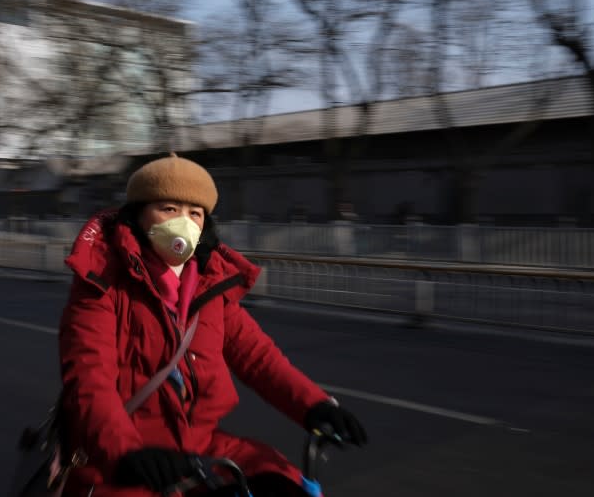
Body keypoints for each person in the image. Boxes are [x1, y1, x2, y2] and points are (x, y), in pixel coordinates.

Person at [58, 154, 367, 497]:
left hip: (199, 448)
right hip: (124, 456)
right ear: (138, 215)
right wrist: (125, 452)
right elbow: (89, 380)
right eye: (169, 209)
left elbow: (258, 358)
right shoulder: (101, 283)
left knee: (283, 481)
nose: (184, 223)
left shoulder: (210, 287)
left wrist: (315, 406)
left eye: (195, 213)